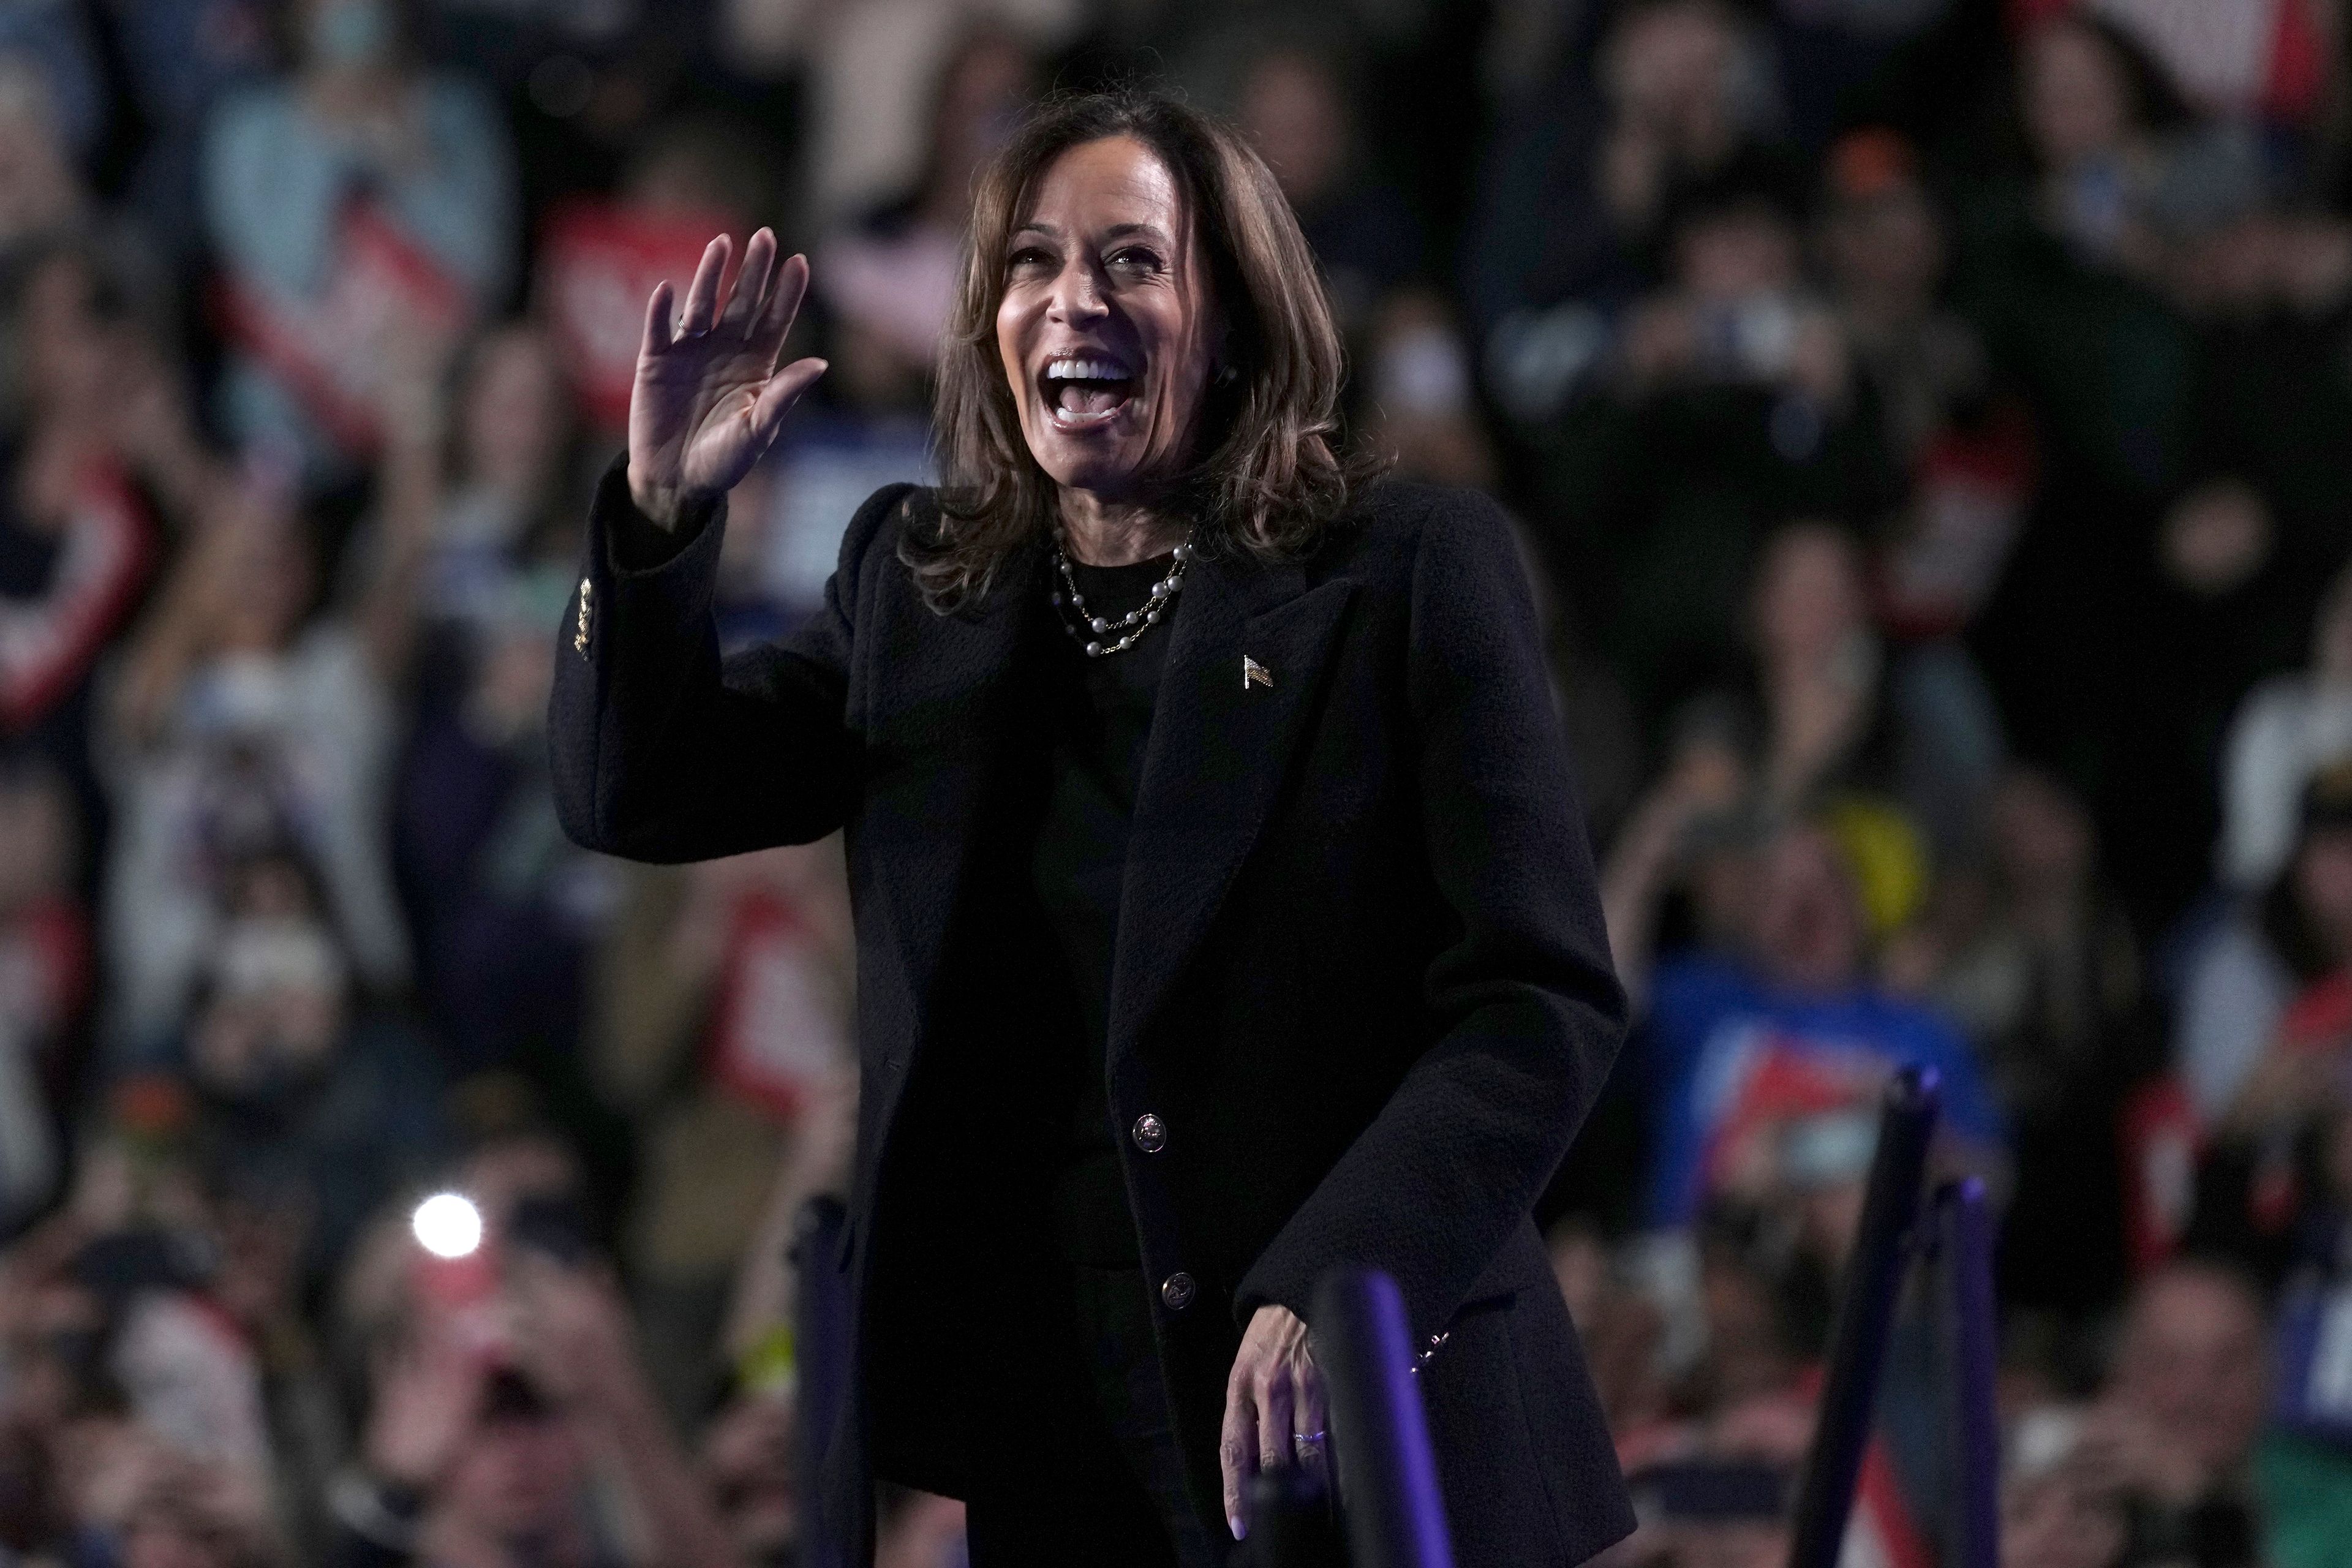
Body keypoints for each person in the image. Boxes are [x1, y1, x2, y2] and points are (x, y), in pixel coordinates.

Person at [551, 89, 1630, 1567]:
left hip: (1370, 1410)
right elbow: (641, 786)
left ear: (1236, 311)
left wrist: (1345, 1279)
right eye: (1034, 262)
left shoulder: (1405, 572)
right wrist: (661, 518)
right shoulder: (919, 585)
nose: (1075, 299)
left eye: (1133, 259)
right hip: (1057, 1423)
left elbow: (1535, 999)